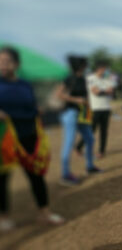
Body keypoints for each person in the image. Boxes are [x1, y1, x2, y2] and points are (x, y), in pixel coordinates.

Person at [0, 47, 64, 231]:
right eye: (0, 61)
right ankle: (3, 217)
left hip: (29, 136)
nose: (2, 64)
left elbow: (32, 106)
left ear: (16, 64)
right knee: (2, 179)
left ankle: (44, 213)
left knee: (36, 176)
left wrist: (40, 109)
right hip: (5, 140)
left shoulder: (25, 84)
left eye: (6, 61)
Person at [56, 55, 101, 186]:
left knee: (90, 138)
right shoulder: (69, 78)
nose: (87, 66)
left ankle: (90, 166)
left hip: (81, 114)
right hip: (70, 114)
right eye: (85, 64)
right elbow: (58, 94)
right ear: (81, 66)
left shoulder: (83, 78)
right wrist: (76, 100)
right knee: (69, 143)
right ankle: (65, 175)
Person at [76, 59, 115, 159]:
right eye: (105, 69)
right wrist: (105, 91)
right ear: (100, 69)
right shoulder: (91, 78)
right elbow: (96, 92)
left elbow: (111, 91)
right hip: (95, 108)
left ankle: (101, 151)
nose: (106, 71)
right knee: (91, 130)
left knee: (104, 131)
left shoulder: (107, 79)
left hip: (106, 108)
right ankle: (79, 147)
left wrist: (103, 91)